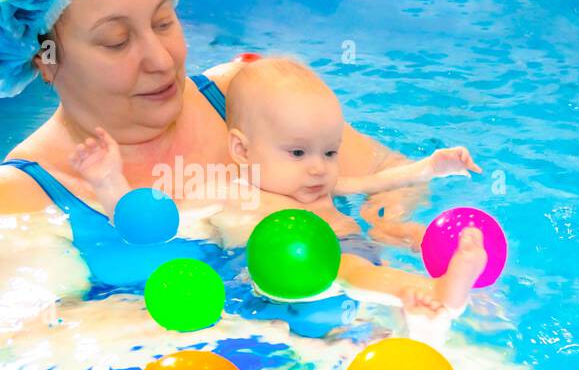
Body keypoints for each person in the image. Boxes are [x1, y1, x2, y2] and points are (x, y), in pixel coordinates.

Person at [0, 0, 451, 300]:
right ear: (46, 59)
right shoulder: (20, 199)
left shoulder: (247, 98)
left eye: (163, 21)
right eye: (117, 42)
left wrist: (384, 216)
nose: (160, 60)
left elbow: (387, 172)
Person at [68, 56, 488, 313]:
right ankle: (433, 291)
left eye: (329, 152)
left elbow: (377, 180)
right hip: (293, 274)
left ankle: (428, 298)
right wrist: (111, 185)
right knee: (349, 274)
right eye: (298, 153)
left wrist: (430, 167)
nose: (318, 169)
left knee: (373, 266)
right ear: (243, 150)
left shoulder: (324, 186)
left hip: (349, 250)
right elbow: (163, 221)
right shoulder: (230, 191)